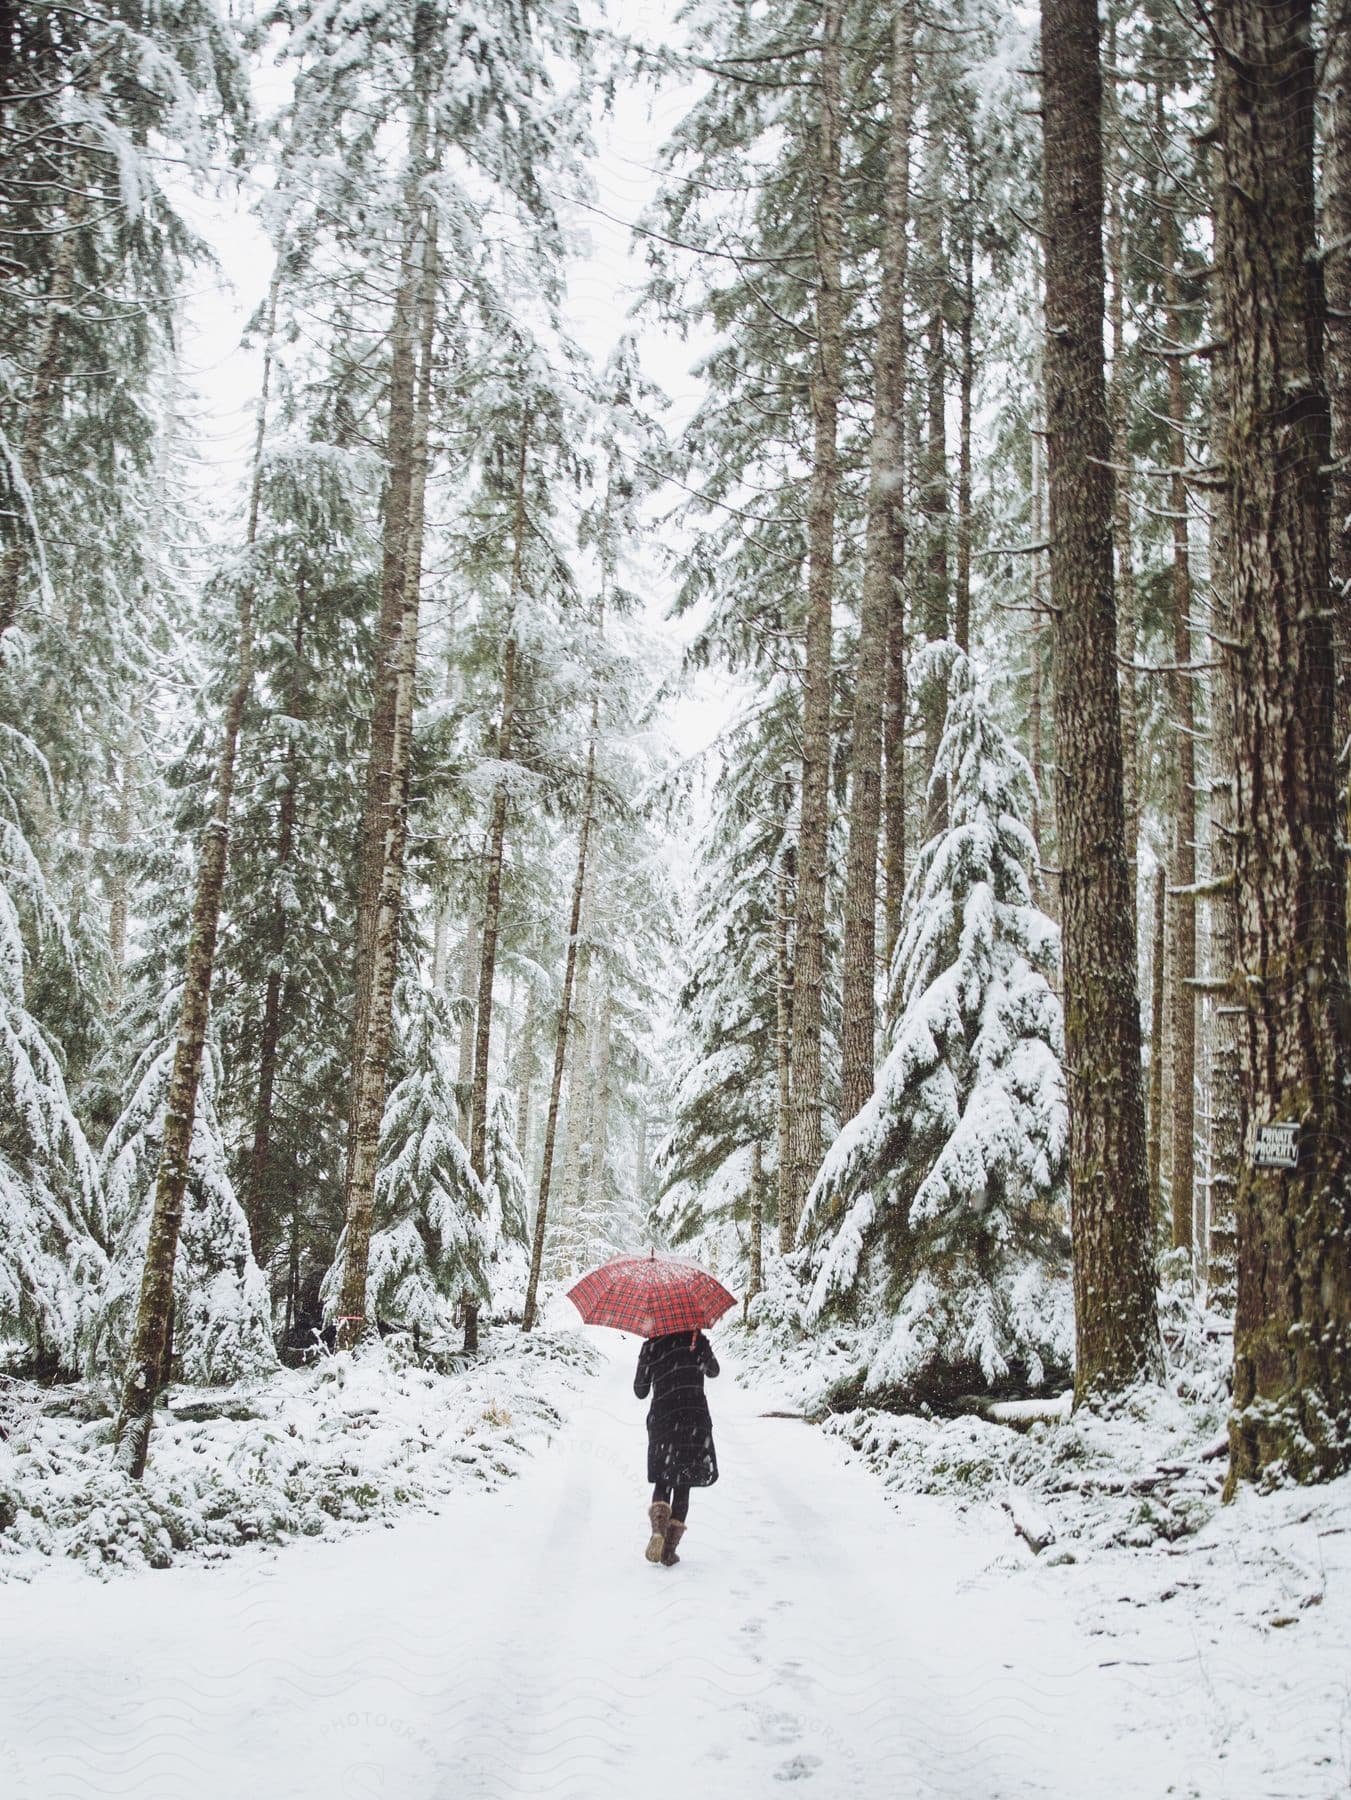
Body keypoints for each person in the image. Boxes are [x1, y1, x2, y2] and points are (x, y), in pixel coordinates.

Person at [633, 1326, 719, 1566]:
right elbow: (713, 1371)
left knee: (663, 1478)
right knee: (684, 1485)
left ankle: (658, 1531)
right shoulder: (696, 1340)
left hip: (662, 1419)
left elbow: (640, 1391)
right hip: (693, 1419)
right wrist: (701, 1347)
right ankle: (669, 1550)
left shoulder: (652, 1343)